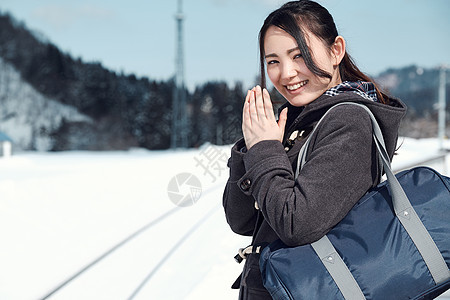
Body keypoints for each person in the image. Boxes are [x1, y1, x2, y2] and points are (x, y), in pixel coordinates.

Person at [222, 0, 407, 299]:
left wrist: (266, 148)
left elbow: (298, 224)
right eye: (273, 61)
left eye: (300, 55)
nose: (287, 73)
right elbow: (241, 220)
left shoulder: (349, 121)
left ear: (336, 50)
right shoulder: (295, 123)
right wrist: (252, 146)